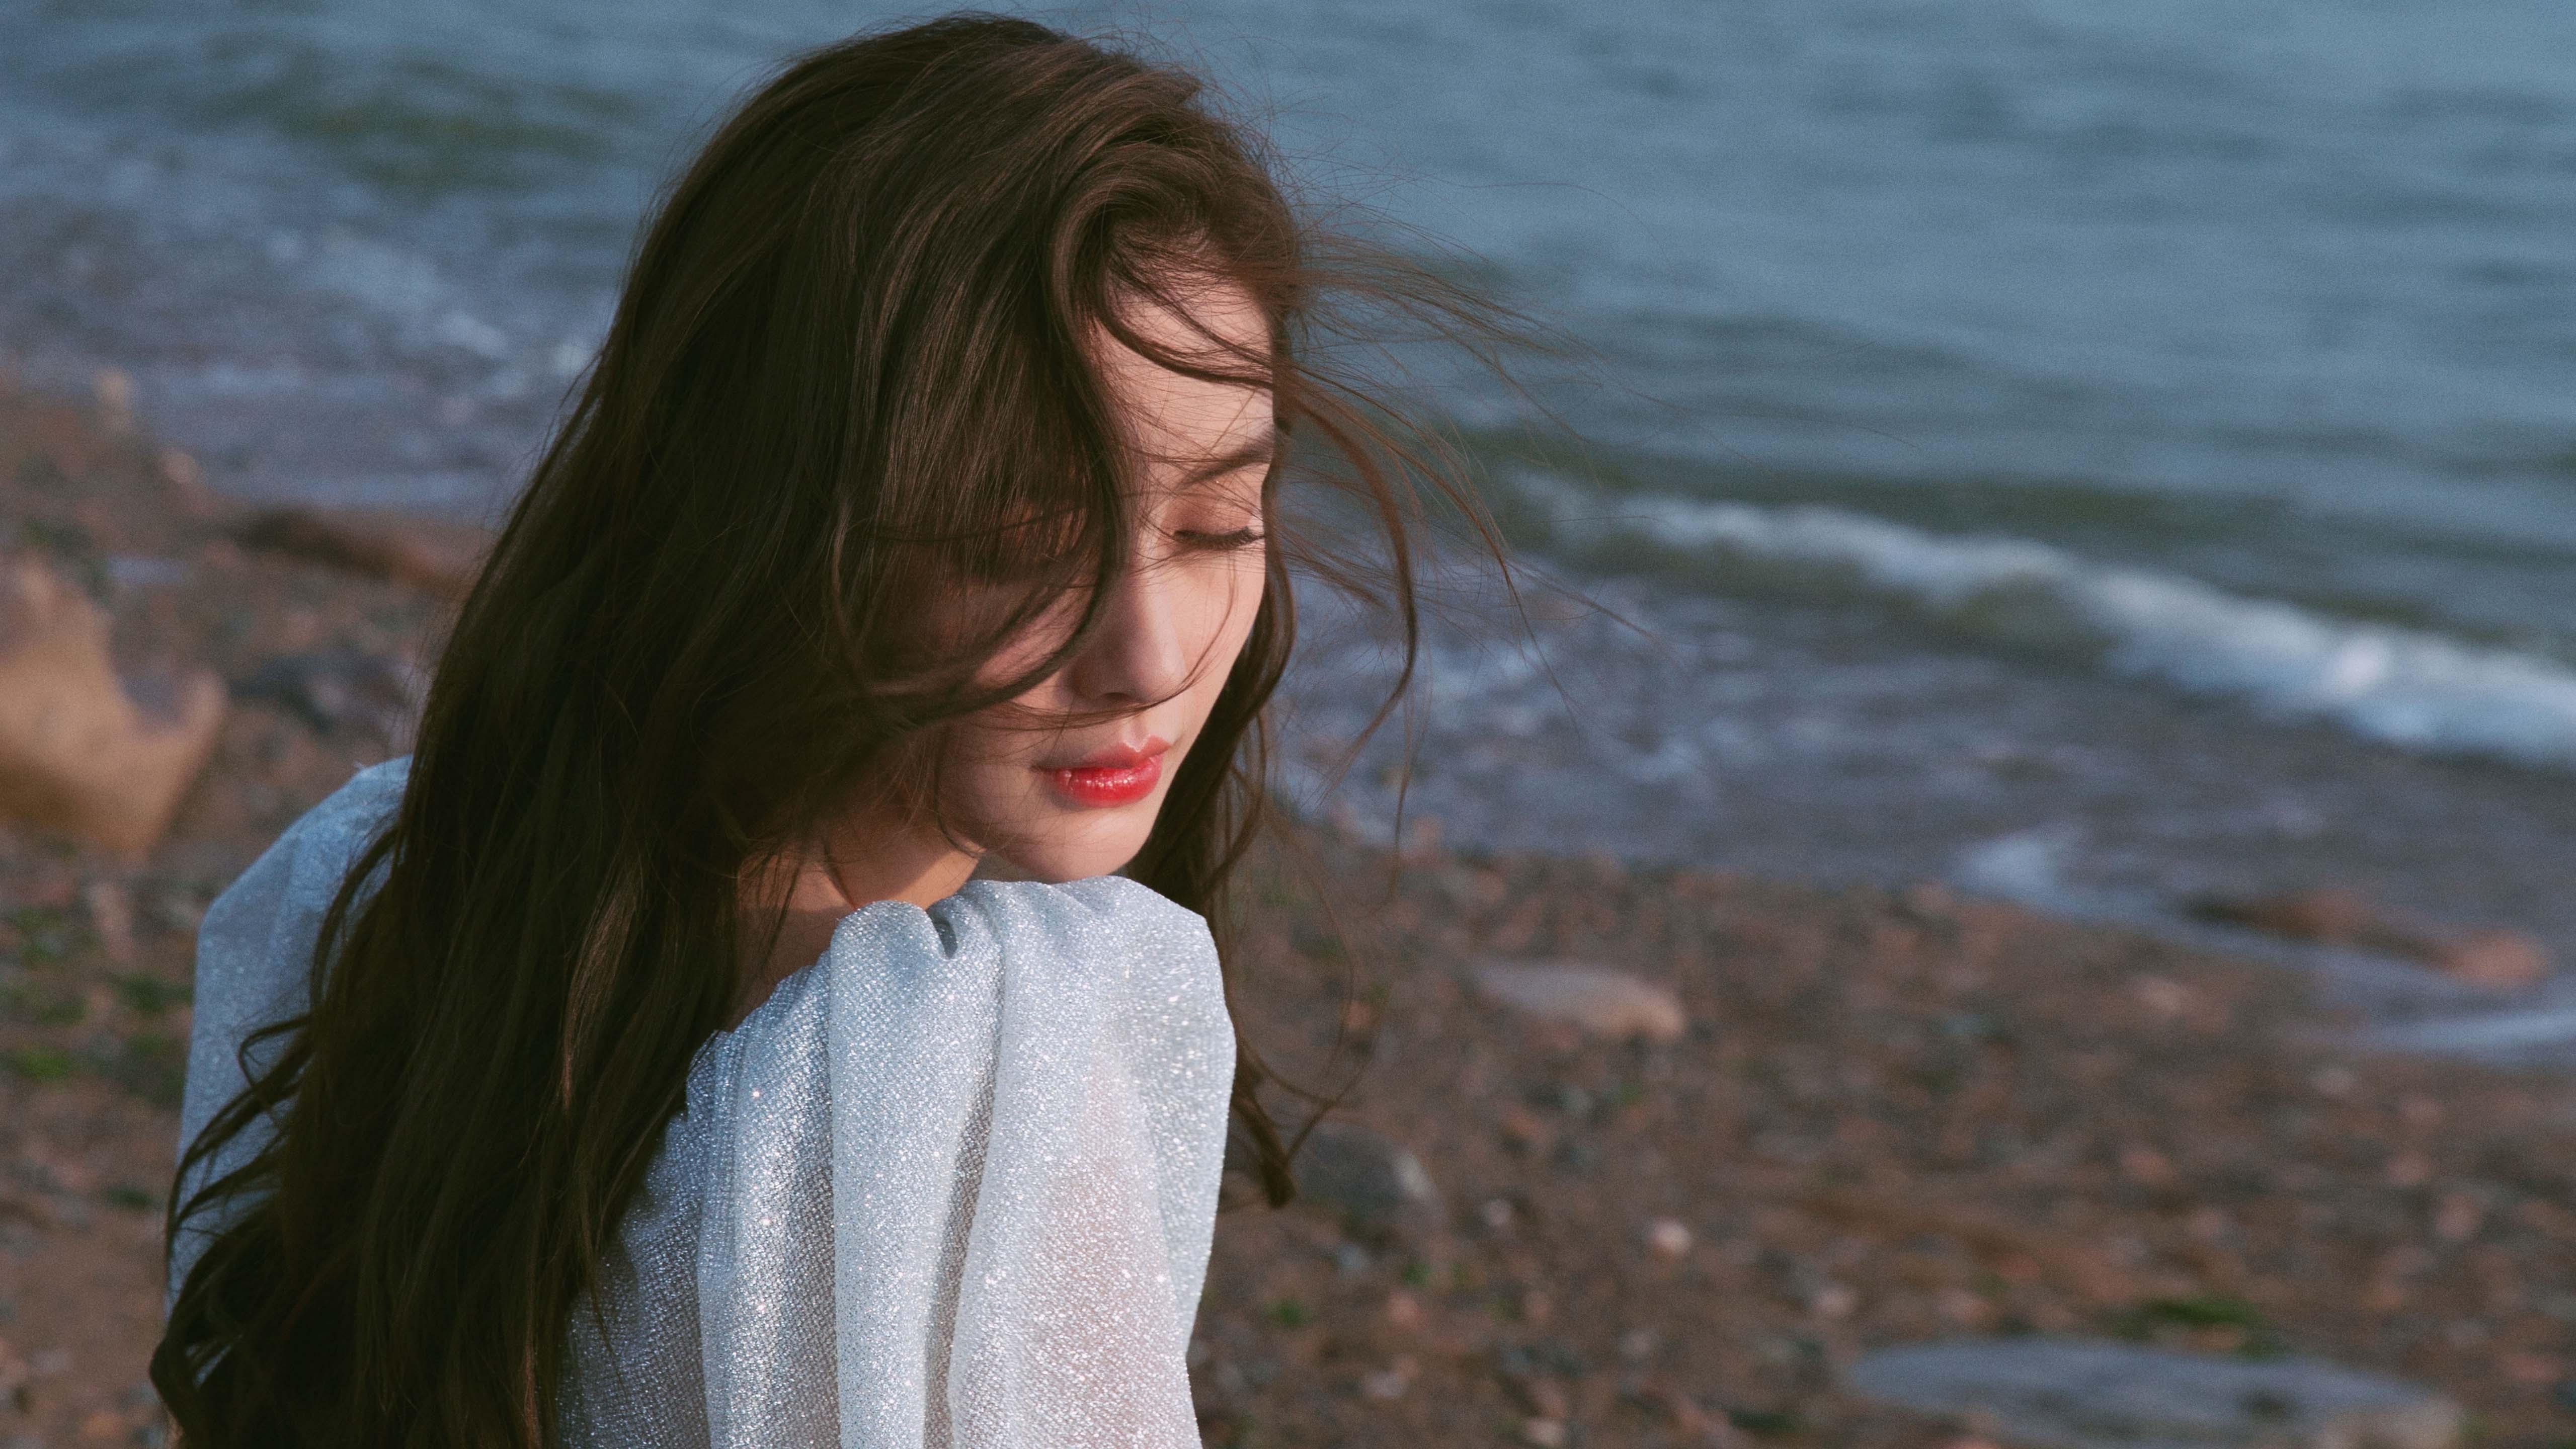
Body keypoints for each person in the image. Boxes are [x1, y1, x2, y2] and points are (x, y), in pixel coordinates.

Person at [151, 13, 1517, 1448]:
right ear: (775, 522)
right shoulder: (952, 1069)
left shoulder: (406, 877)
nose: (1149, 655)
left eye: (1217, 524)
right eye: (1011, 546)